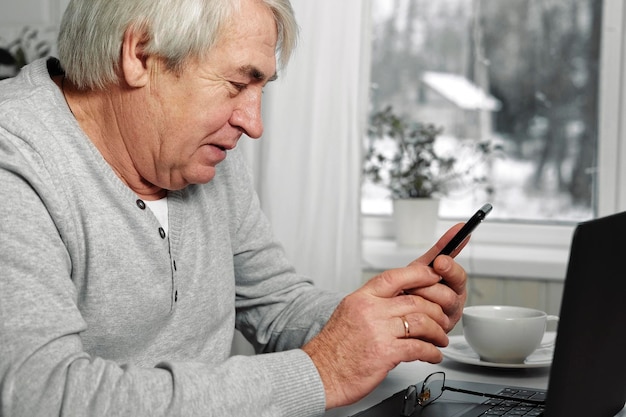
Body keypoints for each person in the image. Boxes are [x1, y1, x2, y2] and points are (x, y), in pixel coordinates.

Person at [0, 0, 468, 415]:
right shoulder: (15, 159)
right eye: (237, 83)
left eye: (262, 88)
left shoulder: (199, 156)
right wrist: (322, 372)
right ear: (140, 53)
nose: (253, 123)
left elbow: (279, 307)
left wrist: (384, 321)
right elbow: (40, 397)